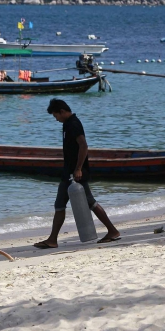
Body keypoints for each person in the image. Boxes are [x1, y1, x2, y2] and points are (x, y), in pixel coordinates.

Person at [34, 98, 120, 249]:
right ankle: (53, 239)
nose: (56, 119)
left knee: (85, 203)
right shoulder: (68, 124)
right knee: (64, 204)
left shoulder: (73, 124)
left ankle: (112, 231)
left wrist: (78, 168)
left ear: (62, 111)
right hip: (70, 172)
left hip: (75, 173)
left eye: (56, 116)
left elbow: (84, 146)